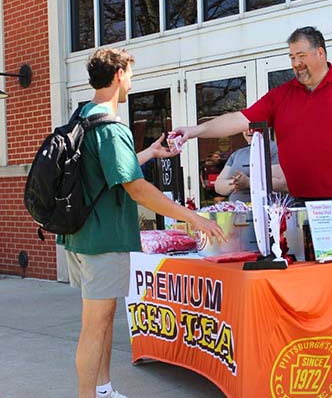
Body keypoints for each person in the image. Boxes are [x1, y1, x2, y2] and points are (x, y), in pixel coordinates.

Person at [60, 48, 225, 398]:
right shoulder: (110, 124)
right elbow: (137, 189)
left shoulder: (84, 116)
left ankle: (102, 390)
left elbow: (114, 173)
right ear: (120, 75)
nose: (132, 83)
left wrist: (150, 152)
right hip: (104, 240)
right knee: (94, 326)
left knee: (102, 321)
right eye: (131, 75)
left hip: (81, 236)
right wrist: (193, 217)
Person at [174, 26, 332, 251]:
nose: (295, 63)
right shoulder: (281, 96)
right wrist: (194, 131)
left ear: (320, 53)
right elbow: (238, 119)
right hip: (301, 201)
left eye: (301, 56)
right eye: (292, 57)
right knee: (307, 266)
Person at [214, 130, 288, 202]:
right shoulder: (237, 154)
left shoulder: (275, 149)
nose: (249, 131)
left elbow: (283, 184)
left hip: (266, 210)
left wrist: (248, 182)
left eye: (254, 127)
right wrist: (236, 184)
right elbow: (218, 185)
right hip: (237, 211)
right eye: (245, 128)